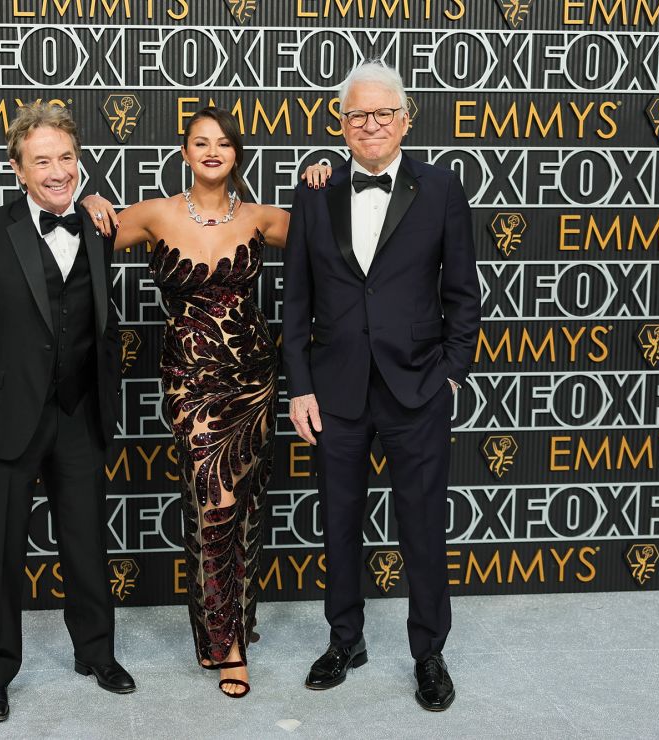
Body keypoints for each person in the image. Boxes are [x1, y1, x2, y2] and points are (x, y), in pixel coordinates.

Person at [283, 60, 480, 711]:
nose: (370, 124)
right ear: (341, 124)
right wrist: (301, 386)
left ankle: (428, 653)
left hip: (417, 387)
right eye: (357, 114)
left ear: (405, 118)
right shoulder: (313, 190)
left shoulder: (443, 188)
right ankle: (346, 639)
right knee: (338, 524)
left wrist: (450, 372)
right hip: (335, 391)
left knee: (422, 527)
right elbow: (295, 300)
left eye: (383, 113)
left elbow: (462, 294)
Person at [81, 107, 297, 699]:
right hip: (190, 381)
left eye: (223, 143)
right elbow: (74, 241)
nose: (211, 151)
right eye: (201, 142)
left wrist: (325, 174)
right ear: (184, 152)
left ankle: (222, 630)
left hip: (253, 380)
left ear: (236, 155)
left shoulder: (261, 217)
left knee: (244, 508)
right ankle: (229, 647)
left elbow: (336, 234)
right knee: (213, 503)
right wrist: (91, 199)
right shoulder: (155, 214)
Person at [0, 102, 135, 723]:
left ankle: (95, 652)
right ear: (18, 169)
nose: (57, 170)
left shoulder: (101, 225)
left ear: (81, 162)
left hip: (78, 411)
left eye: (67, 158)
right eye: (42, 160)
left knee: (86, 543)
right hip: (2, 417)